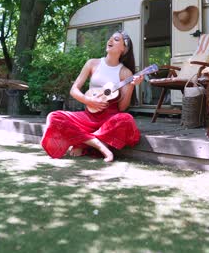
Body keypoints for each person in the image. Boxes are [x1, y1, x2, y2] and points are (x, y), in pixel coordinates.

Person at [41, 30, 143, 162]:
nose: (110, 40)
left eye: (116, 39)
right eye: (110, 38)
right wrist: (88, 100)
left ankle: (83, 143)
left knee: (126, 119)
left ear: (124, 49)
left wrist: (131, 85)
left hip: (109, 119)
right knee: (54, 117)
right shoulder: (92, 63)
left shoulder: (126, 72)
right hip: (88, 116)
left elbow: (122, 107)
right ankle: (99, 145)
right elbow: (74, 90)